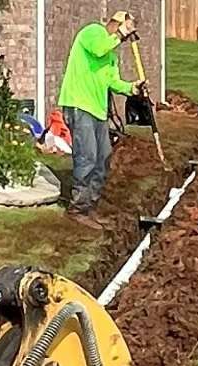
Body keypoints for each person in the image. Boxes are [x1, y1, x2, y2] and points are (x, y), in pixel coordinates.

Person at [58, 10, 145, 223]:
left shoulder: (112, 57)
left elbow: (113, 82)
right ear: (114, 24)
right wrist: (120, 34)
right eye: (123, 32)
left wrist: (132, 88)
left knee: (103, 158)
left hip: (98, 111)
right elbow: (98, 49)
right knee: (87, 156)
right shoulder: (92, 32)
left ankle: (90, 205)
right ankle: (78, 209)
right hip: (79, 105)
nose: (122, 40)